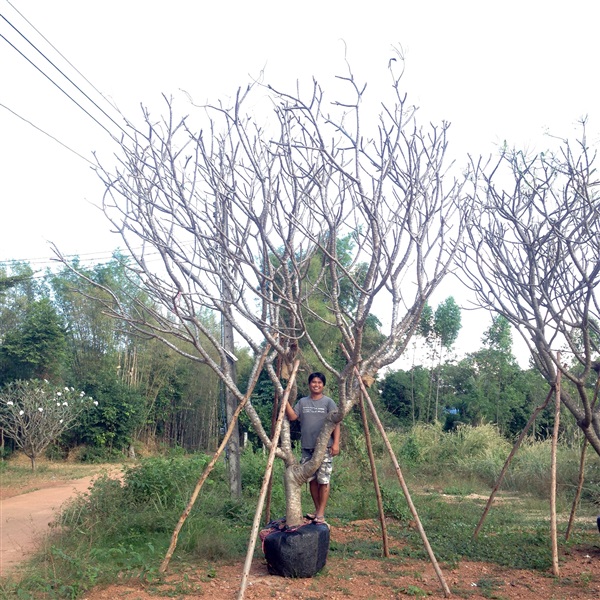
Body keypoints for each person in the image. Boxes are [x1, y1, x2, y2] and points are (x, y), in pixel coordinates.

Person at [285, 371, 340, 524]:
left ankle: (321, 513)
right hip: (307, 448)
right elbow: (293, 417)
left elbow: (336, 423)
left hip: (324, 448)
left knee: (323, 480)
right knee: (311, 481)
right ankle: (318, 511)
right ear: (309, 384)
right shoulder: (302, 402)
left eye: (319, 382)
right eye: (313, 382)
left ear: (323, 385)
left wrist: (336, 443)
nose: (316, 385)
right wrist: (285, 401)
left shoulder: (328, 402)